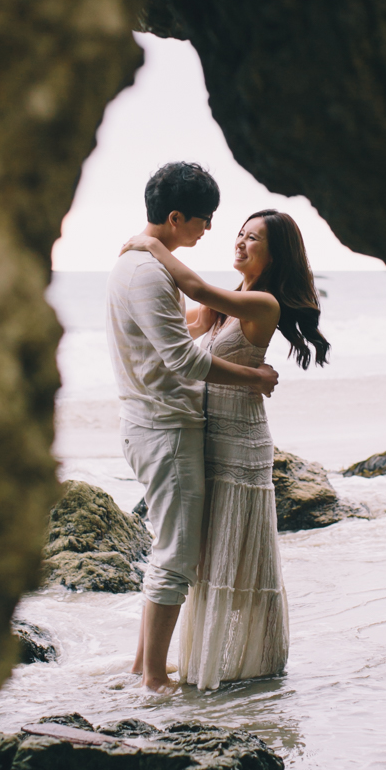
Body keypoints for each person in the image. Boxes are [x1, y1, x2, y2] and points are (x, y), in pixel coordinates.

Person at [121, 208, 330, 691]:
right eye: (239, 234)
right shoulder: (230, 303)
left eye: (252, 238)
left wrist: (153, 245)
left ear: (275, 253)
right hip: (203, 438)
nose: (239, 242)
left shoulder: (264, 304)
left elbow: (193, 290)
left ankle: (239, 663)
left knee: (229, 558)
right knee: (190, 556)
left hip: (239, 443)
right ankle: (151, 666)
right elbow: (177, 323)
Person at [106, 163, 279, 695]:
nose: (213, 232)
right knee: (178, 555)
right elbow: (182, 359)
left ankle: (144, 667)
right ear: (177, 217)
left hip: (169, 426)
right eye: (208, 221)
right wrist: (253, 375)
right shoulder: (147, 271)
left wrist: (150, 248)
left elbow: (187, 323)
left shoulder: (147, 269)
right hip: (165, 428)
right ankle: (154, 678)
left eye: (250, 235)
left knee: (173, 550)